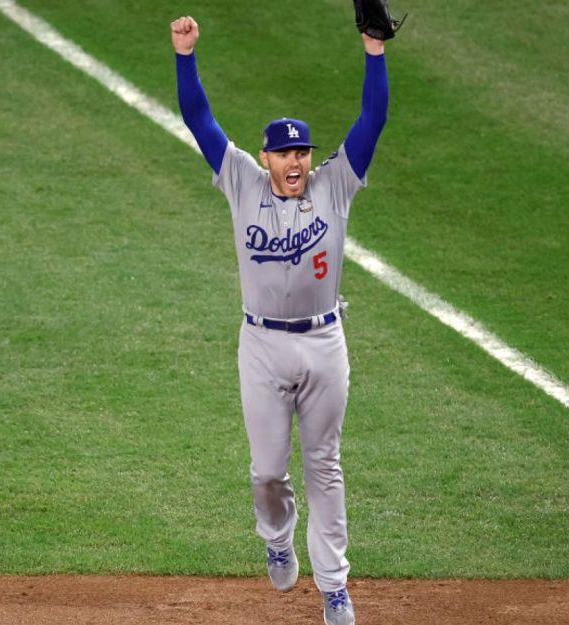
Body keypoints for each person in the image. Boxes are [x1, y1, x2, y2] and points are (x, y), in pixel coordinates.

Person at [170, 14, 389, 625]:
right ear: (264, 156)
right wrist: (185, 57)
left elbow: (371, 122)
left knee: (324, 464)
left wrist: (374, 51)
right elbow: (199, 121)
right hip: (262, 347)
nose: (295, 162)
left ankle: (336, 588)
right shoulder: (240, 179)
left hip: (324, 343)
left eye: (302, 152)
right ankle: (276, 538)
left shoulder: (335, 186)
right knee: (268, 471)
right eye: (284, 152)